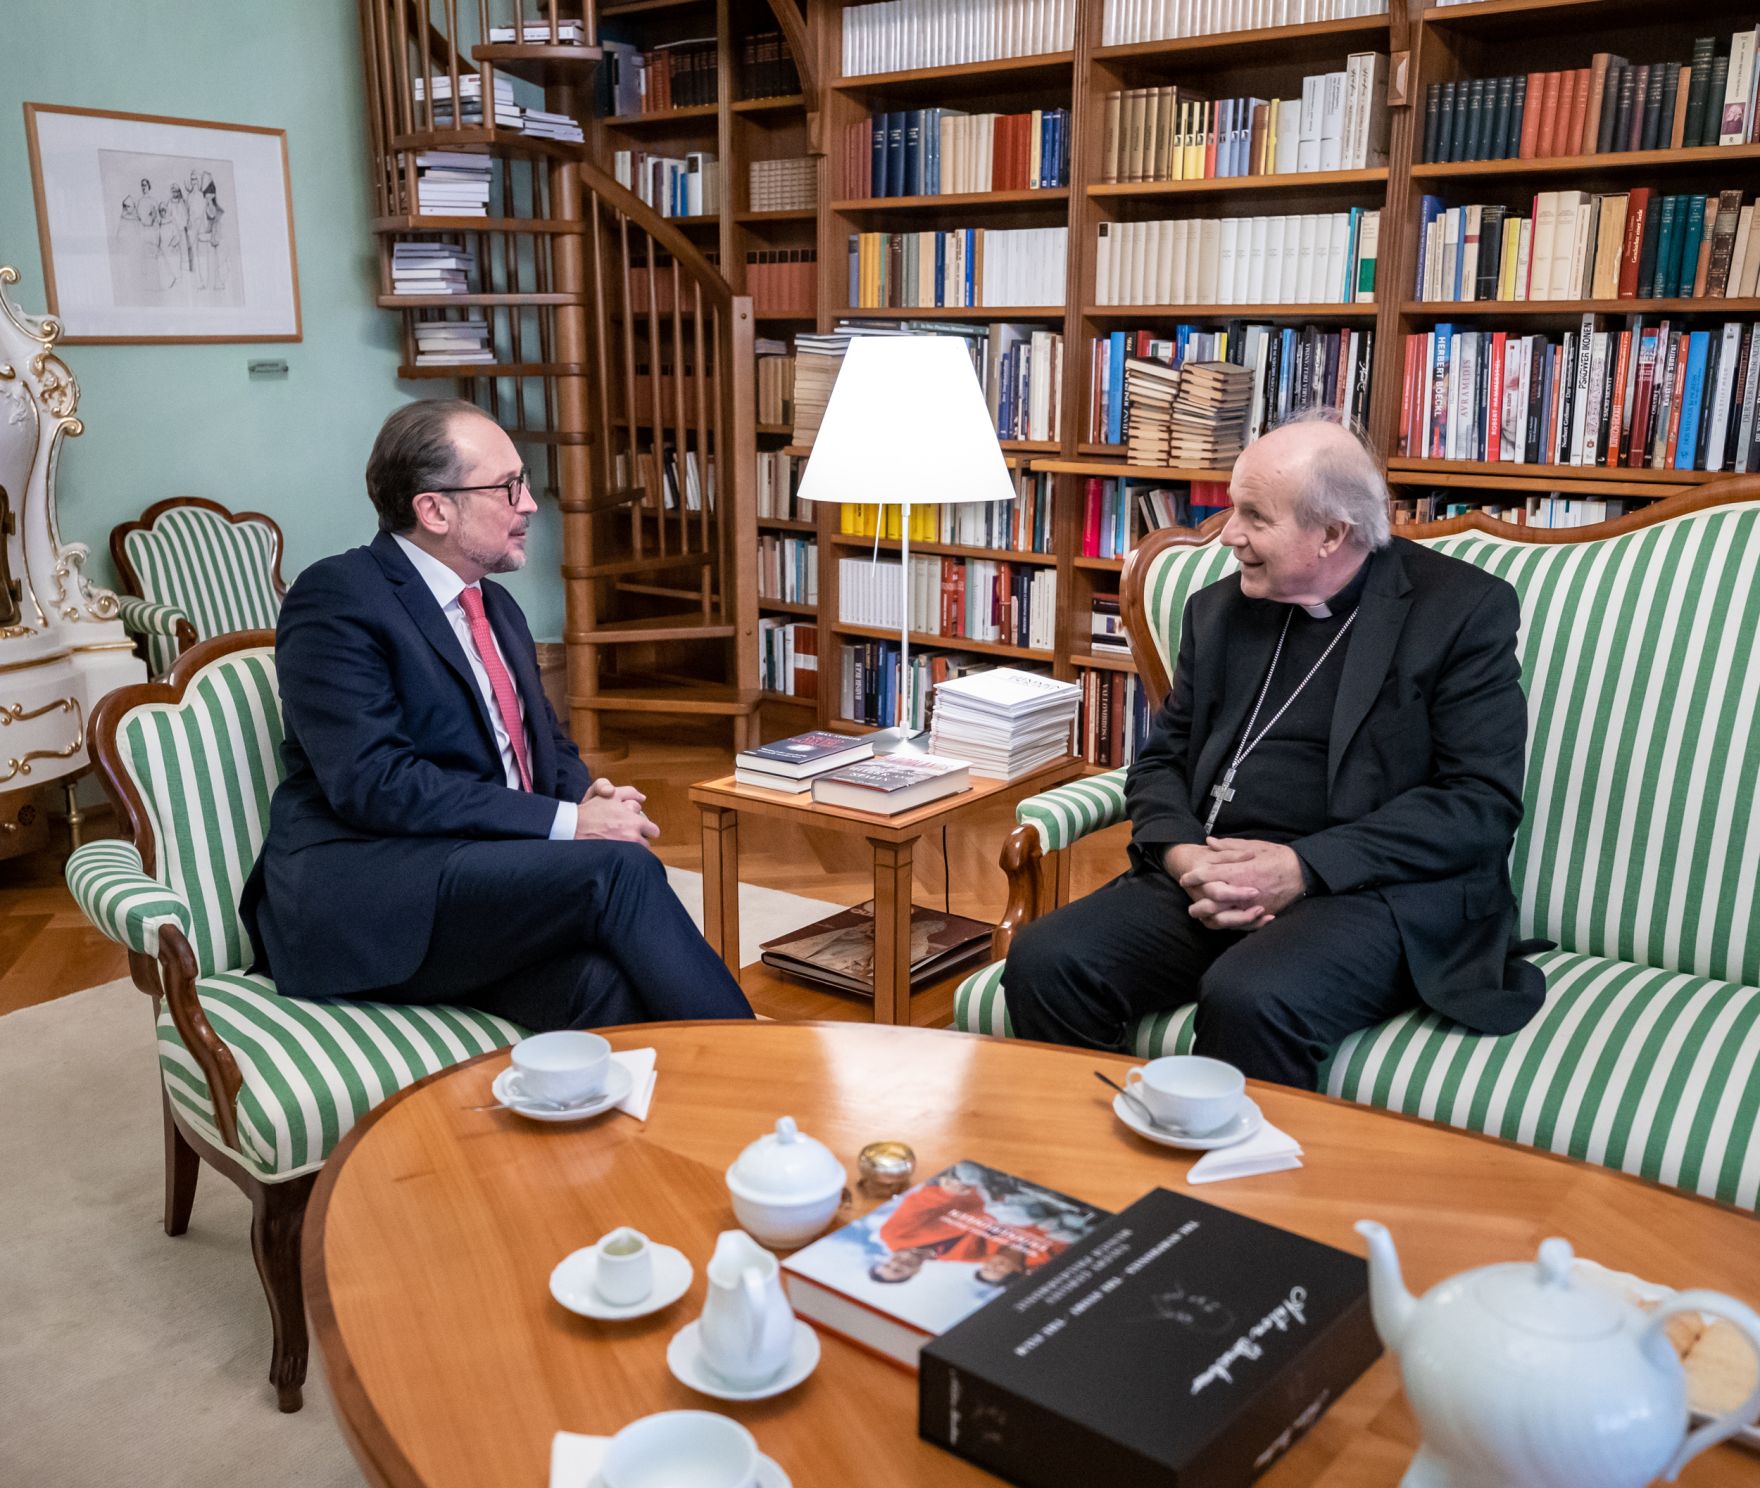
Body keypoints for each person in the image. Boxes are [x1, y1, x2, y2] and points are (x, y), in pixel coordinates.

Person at [1003, 412, 1543, 1088]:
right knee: (1049, 958)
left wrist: (1302, 867)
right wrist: (1184, 856)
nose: (1230, 535)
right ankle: (1093, 1148)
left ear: (1332, 534)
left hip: (1371, 891)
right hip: (1213, 871)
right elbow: (1160, 761)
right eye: (1234, 508)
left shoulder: (1460, 611)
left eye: (1255, 517)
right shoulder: (1218, 611)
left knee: (1250, 995)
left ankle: (1230, 1163)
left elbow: (1479, 802)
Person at [239, 399, 755, 1032]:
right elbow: (376, 783)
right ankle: (765, 1070)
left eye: (524, 482)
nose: (530, 504)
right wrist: (572, 824)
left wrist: (585, 794)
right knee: (620, 870)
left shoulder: (497, 608)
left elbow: (546, 742)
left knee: (605, 986)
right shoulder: (339, 596)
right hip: (377, 888)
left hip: (487, 876)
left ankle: (692, 1092)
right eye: (508, 486)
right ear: (434, 509)